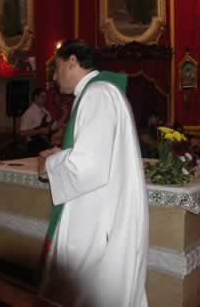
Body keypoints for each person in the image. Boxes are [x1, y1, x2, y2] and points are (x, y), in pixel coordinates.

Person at [39, 39, 148, 307]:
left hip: (96, 216)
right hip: (99, 207)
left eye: (57, 68)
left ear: (72, 61)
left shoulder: (97, 94)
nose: (54, 77)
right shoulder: (99, 93)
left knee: (88, 291)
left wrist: (50, 165)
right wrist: (60, 156)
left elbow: (89, 167)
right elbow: (96, 154)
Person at [19, 88, 67, 157]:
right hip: (34, 146)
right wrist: (39, 131)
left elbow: (54, 126)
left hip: (44, 144)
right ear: (36, 97)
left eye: (46, 97)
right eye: (43, 97)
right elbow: (22, 132)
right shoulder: (29, 112)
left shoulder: (45, 112)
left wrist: (65, 114)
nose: (45, 99)